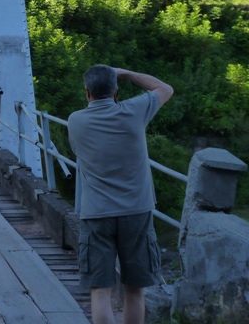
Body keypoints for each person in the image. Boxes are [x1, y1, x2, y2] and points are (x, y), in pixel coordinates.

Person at [67, 65, 174, 324]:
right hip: (136, 212)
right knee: (135, 289)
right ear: (116, 92)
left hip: (96, 215)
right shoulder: (134, 112)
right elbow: (165, 89)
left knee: (100, 291)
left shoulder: (75, 120)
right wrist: (126, 73)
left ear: (87, 93)